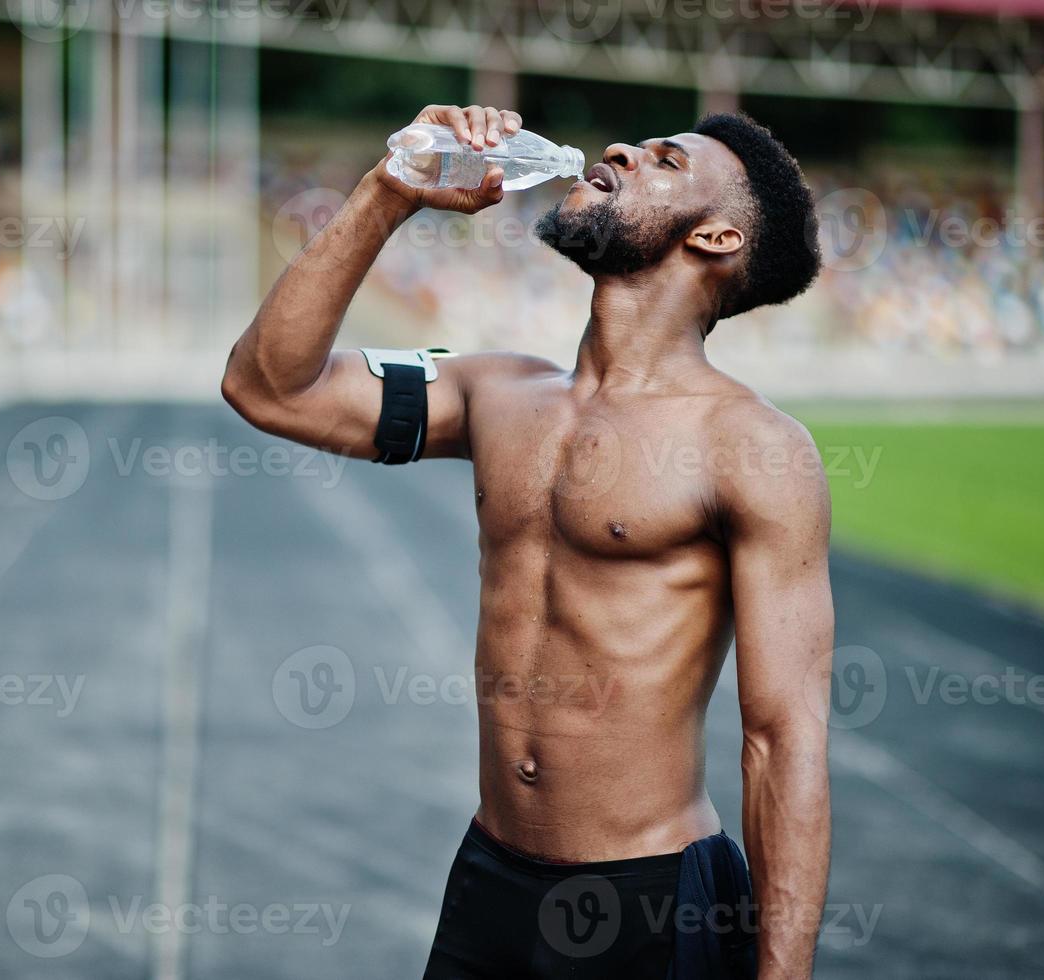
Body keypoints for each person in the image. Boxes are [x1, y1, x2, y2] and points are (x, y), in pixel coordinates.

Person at [222, 103, 833, 979]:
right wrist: (386, 195)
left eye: (664, 161)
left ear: (716, 236)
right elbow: (267, 387)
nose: (620, 147)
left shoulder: (752, 447)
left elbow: (784, 739)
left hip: (652, 901)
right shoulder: (498, 392)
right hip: (490, 881)